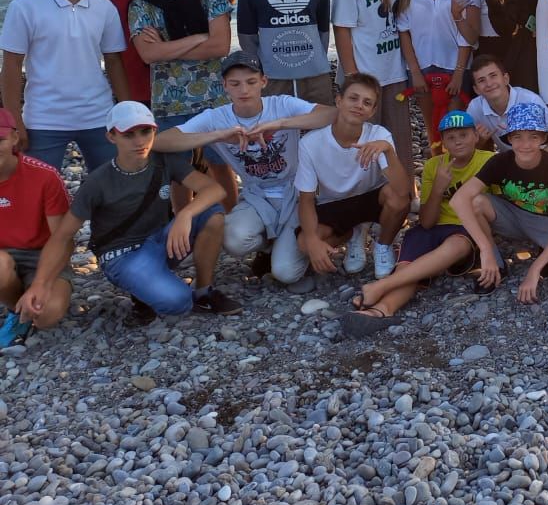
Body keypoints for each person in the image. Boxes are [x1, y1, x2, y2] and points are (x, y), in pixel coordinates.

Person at [151, 52, 336, 291]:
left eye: (251, 82)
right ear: (225, 86)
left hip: (296, 193)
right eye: (235, 84)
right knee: (233, 240)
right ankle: (273, 244)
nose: (244, 90)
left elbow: (331, 114)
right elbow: (160, 142)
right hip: (257, 195)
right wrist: (218, 135)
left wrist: (280, 123)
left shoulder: (282, 105)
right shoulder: (217, 117)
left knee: (285, 273)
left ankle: (291, 247)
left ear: (263, 81)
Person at [40, 101, 240, 321]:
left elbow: (214, 189)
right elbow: (62, 236)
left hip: (161, 240)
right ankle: (143, 289)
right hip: (122, 256)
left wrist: (185, 214)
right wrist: (40, 284)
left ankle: (204, 291)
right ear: (111, 137)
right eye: (128, 135)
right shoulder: (98, 182)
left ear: (155, 130)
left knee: (212, 214)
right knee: (178, 302)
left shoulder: (164, 160)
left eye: (146, 132)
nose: (139, 141)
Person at [342, 111, 498, 334]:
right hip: (433, 227)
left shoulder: (489, 161)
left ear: (475, 136)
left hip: (464, 228)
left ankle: (378, 287)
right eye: (451, 137)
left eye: (464, 135)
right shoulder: (434, 165)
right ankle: (381, 310)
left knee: (457, 245)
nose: (458, 141)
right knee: (408, 268)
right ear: (443, 143)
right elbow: (426, 222)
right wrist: (438, 188)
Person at [1, 0, 129, 173]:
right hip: (43, 120)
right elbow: (11, 64)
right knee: (38, 187)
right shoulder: (25, 6)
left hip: (98, 116)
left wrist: (126, 112)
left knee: (113, 185)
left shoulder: (104, 8)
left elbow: (114, 62)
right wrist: (14, 120)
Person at [126, 0, 236, 207]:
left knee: (221, 162)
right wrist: (198, 38)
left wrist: (167, 48)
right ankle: (183, 221)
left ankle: (231, 215)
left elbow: (220, 47)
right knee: (177, 170)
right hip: (169, 99)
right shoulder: (142, 4)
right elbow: (148, 54)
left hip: (213, 96)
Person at [452, 102, 548, 302]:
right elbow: (458, 199)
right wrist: (485, 249)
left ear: (543, 139)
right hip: (512, 216)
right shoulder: (499, 161)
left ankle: (544, 253)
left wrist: (534, 269)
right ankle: (496, 265)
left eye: (533, 137)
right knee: (475, 201)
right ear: (509, 139)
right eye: (518, 137)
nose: (525, 144)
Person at [296, 73, 413, 281]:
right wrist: (313, 241)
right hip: (333, 203)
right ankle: (353, 234)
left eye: (367, 102)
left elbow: (403, 191)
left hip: (371, 197)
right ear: (338, 101)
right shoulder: (310, 143)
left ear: (372, 111)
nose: (359, 105)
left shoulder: (379, 134)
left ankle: (383, 245)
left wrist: (387, 150)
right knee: (305, 244)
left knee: (397, 198)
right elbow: (305, 199)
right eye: (353, 98)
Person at [331, 0, 415, 182]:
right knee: (362, 141)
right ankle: (362, 191)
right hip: (365, 72)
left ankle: (404, 191)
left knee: (398, 139)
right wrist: (352, 75)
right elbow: (341, 27)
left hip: (394, 71)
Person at [0, 108, 73, 347]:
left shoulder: (44, 176)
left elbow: (63, 240)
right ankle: (16, 309)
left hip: (42, 254)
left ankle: (30, 297)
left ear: (14, 138)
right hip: (2, 257)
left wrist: (42, 283)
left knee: (47, 315)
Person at [396, 0, 471, 152]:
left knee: (456, 129)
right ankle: (435, 170)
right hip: (423, 68)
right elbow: (404, 31)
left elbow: (465, 35)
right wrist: (415, 72)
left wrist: (458, 74)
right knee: (433, 131)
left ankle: (460, 173)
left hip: (454, 67)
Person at [467, 55, 548, 155]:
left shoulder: (530, 100)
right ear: (476, 90)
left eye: (493, 76)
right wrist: (480, 142)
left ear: (505, 79)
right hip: (508, 159)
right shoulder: (475, 107)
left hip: (539, 155)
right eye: (481, 80)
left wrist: (531, 136)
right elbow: (467, 149)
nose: (489, 84)